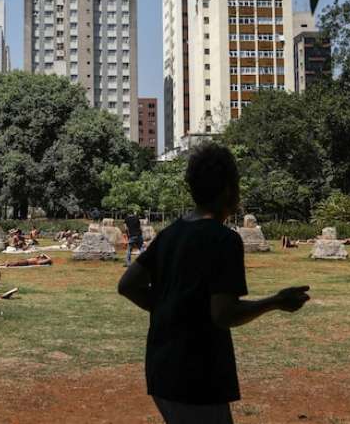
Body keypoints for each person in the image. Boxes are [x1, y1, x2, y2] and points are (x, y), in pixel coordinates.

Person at [118, 143, 310, 424]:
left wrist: (170, 308)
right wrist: (276, 302)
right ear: (230, 190)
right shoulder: (224, 240)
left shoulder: (170, 234)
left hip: (162, 367)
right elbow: (223, 313)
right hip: (198, 372)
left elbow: (128, 285)